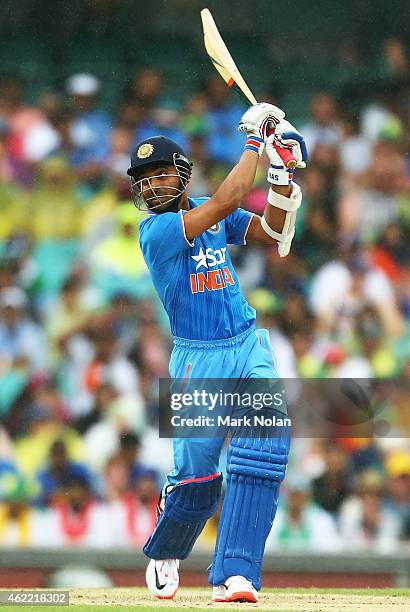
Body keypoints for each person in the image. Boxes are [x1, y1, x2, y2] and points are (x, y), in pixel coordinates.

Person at [126, 103, 308, 603]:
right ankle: (167, 548)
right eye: (145, 178)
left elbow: (271, 230)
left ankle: (236, 574)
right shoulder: (156, 232)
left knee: (264, 448)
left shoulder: (205, 209)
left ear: (182, 175)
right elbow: (229, 199)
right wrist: (256, 140)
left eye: (162, 173)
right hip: (196, 360)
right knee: (199, 482)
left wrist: (280, 174)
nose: (153, 184)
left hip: (246, 345)